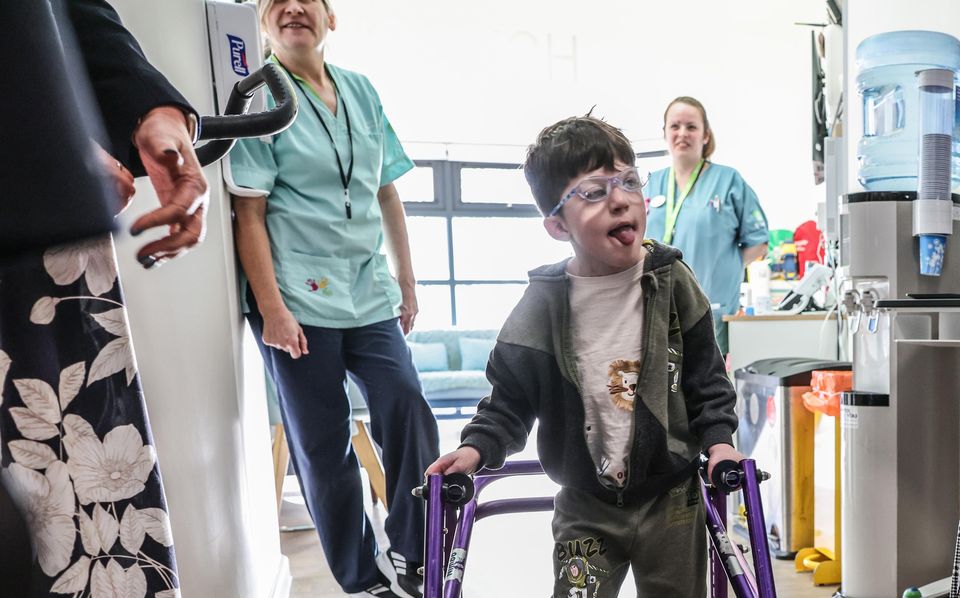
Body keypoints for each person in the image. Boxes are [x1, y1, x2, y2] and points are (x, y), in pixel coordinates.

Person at [427, 116, 742, 598]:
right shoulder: (542, 304)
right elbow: (508, 401)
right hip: (586, 505)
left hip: (673, 499)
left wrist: (719, 441)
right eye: (594, 192)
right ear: (556, 225)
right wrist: (475, 449)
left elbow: (706, 377)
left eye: (630, 181)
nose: (620, 199)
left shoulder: (673, 280)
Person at [228, 1, 439, 596]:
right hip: (295, 296)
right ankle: (360, 578)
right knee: (324, 445)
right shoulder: (256, 96)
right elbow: (250, 210)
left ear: (330, 19)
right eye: (277, 1)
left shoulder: (362, 91)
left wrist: (407, 280)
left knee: (407, 404)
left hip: (368, 290)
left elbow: (386, 191)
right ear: (263, 22)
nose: (294, 7)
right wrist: (270, 307)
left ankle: (414, 547)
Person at [0, 1, 209, 596]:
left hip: (50, 247)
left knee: (94, 525)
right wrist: (34, 128)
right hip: (36, 179)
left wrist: (155, 113)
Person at [645, 97, 769, 355]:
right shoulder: (650, 184)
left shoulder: (728, 180)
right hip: (657, 309)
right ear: (664, 133)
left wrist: (725, 268)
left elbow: (758, 243)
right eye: (675, 126)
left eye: (691, 127)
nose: (682, 134)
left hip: (711, 308)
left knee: (709, 387)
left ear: (705, 135)